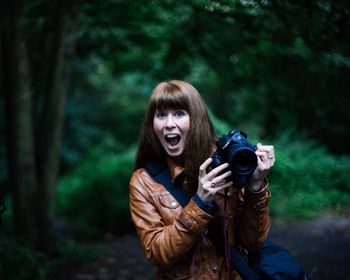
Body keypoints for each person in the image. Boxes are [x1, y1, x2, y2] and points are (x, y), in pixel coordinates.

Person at [129, 80, 275, 279]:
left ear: (196, 118)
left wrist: (255, 186)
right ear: (152, 123)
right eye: (161, 114)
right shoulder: (144, 181)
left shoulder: (227, 165)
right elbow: (156, 253)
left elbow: (252, 243)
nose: (169, 123)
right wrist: (200, 203)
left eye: (179, 113)